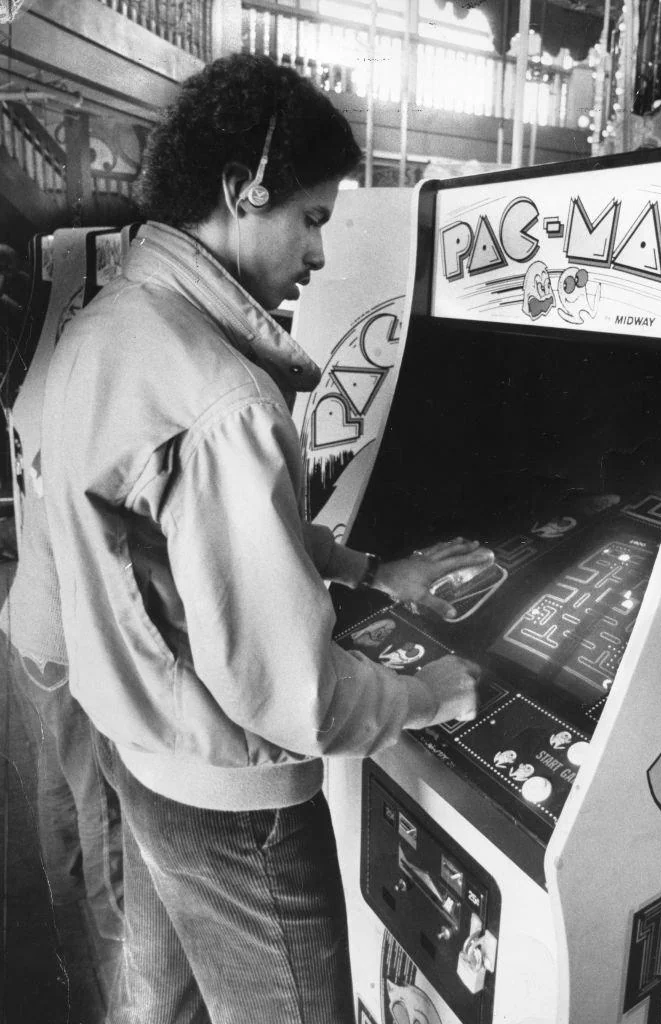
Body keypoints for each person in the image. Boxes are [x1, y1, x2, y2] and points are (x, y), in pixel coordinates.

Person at [40, 53, 490, 1024]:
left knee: (158, 999)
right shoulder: (224, 396)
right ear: (248, 194)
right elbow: (289, 694)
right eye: (314, 218)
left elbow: (170, 534)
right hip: (232, 804)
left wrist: (370, 569)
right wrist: (430, 694)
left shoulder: (112, 324)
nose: (320, 256)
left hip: (142, 746)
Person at [1, 236, 125, 952]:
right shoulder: (87, 389)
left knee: (56, 782)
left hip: (26, 619)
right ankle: (117, 949)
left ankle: (66, 916)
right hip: (65, 636)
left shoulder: (36, 374)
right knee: (99, 800)